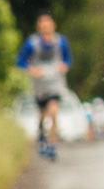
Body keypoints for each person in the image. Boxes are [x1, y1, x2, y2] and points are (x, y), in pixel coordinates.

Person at [16, 12, 72, 161]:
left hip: (55, 83)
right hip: (39, 85)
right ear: (39, 28)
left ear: (53, 26)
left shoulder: (61, 42)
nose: (46, 30)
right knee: (42, 114)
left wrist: (64, 67)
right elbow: (20, 62)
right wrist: (32, 70)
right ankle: (41, 133)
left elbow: (67, 59)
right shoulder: (31, 43)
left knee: (53, 112)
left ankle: (52, 145)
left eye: (48, 27)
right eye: (43, 27)